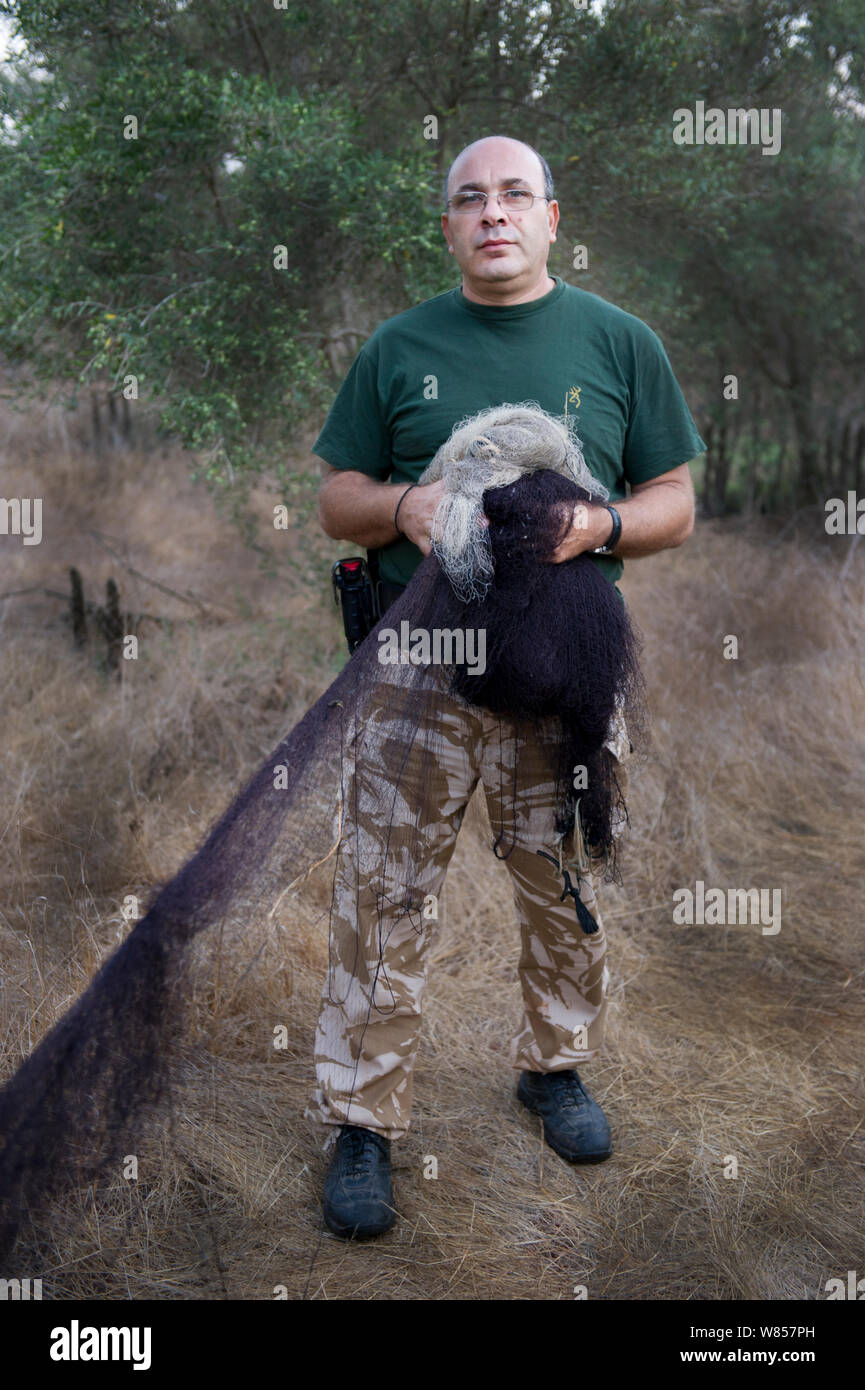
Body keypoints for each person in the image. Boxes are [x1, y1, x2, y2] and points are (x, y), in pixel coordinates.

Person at [312, 134, 704, 1239]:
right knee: (383, 892)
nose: (493, 213)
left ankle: (555, 1067)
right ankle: (360, 1120)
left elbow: (673, 500)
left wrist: (604, 523)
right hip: (417, 674)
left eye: (515, 195)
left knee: (563, 882)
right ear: (449, 226)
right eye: (470, 199)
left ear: (550, 216)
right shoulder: (398, 348)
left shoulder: (620, 343)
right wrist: (404, 509)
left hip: (566, 675)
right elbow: (336, 494)